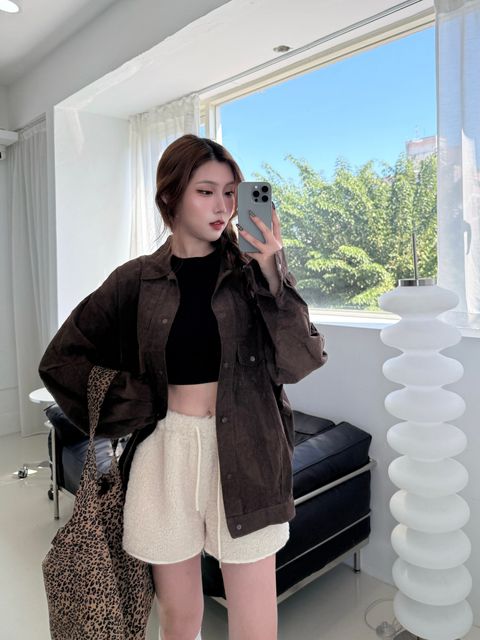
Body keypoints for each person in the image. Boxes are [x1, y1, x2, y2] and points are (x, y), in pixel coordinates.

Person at [39, 134, 328, 640]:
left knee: (256, 626)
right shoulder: (135, 280)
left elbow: (301, 360)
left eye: (230, 192)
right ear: (171, 196)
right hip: (164, 454)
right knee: (179, 619)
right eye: (206, 191)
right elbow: (61, 360)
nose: (223, 207)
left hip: (249, 452)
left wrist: (271, 270)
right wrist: (135, 402)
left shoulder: (253, 273)